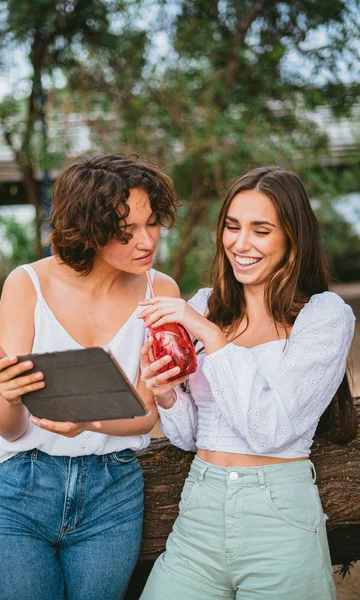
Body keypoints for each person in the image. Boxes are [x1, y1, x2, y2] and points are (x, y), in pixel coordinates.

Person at [0, 154, 183, 600]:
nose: (146, 242)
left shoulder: (160, 291)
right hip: (17, 489)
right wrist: (8, 398)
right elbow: (9, 429)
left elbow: (145, 415)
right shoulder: (26, 284)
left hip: (114, 494)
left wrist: (89, 423)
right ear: (88, 229)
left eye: (152, 223)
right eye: (126, 232)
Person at [137, 166, 357, 600]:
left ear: (293, 238)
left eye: (261, 230)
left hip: (279, 521)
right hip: (198, 514)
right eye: (233, 227)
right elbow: (189, 437)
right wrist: (166, 392)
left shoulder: (324, 316)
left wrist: (213, 338)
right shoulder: (207, 305)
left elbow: (270, 430)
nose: (241, 243)